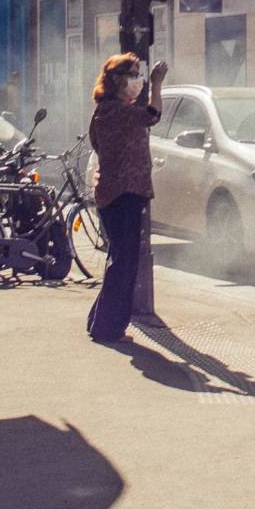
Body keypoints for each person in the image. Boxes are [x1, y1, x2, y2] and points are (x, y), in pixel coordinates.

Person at [86, 52, 166, 344]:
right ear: (119, 80)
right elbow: (153, 115)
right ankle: (107, 328)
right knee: (125, 261)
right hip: (125, 193)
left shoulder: (104, 111)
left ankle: (100, 320)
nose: (138, 81)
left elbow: (96, 143)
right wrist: (157, 85)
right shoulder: (119, 111)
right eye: (133, 75)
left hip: (112, 191)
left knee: (119, 258)